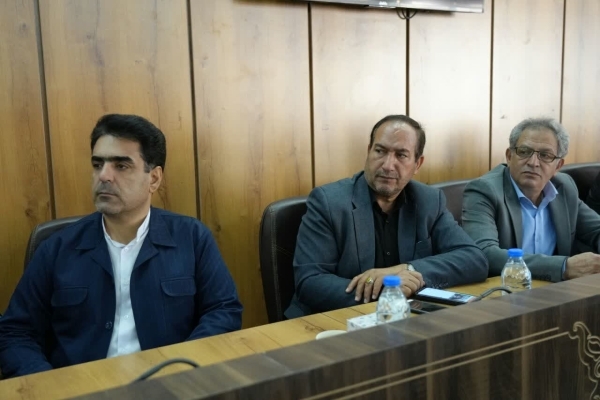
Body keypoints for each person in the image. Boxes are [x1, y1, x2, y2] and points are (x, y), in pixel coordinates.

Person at [0, 114, 242, 378]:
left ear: (154, 178)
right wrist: (50, 385)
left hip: (170, 384)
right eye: (97, 164)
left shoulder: (191, 238)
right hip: (82, 389)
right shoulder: (57, 248)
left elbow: (223, 311)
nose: (104, 176)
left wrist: (182, 370)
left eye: (121, 165)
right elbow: (15, 332)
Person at [284, 115, 488, 318]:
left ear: (417, 164)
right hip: (328, 322)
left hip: (399, 321)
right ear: (368, 151)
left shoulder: (428, 200)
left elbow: (474, 259)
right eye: (380, 151)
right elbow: (310, 282)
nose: (388, 165)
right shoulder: (329, 202)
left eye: (401, 155)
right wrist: (389, 290)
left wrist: (407, 270)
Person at [462, 117, 600, 283]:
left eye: (545, 155)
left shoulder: (564, 188)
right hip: (505, 290)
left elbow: (596, 230)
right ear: (509, 156)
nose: (533, 162)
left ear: (558, 166)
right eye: (524, 152)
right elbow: (484, 254)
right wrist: (563, 267)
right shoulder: (484, 190)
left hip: (555, 290)